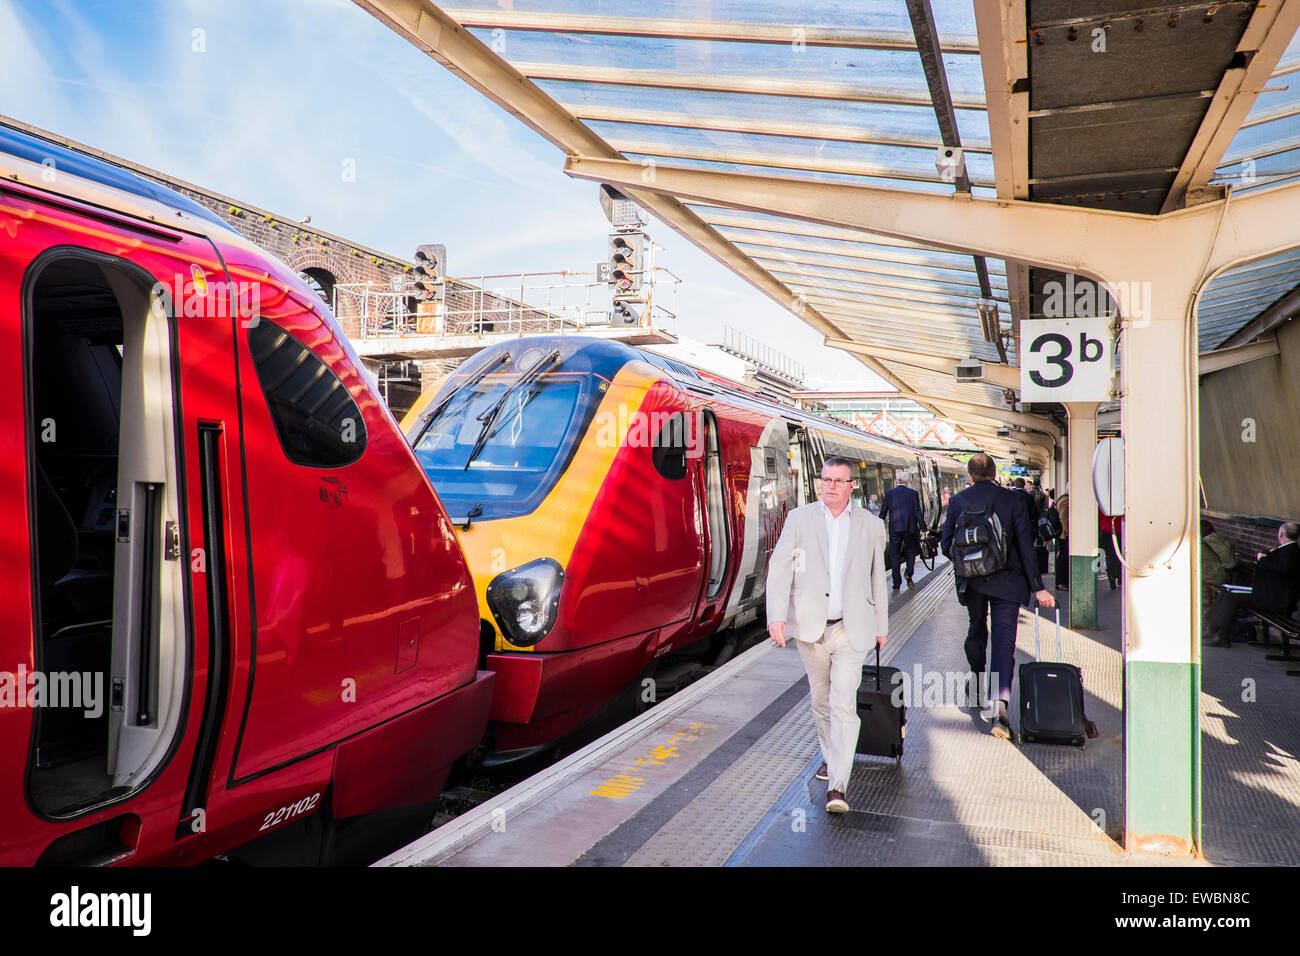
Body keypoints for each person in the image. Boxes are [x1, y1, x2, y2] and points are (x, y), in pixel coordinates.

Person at [767, 456, 889, 813]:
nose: (830, 486)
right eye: (826, 480)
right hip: (810, 628)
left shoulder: (870, 524)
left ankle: (838, 784)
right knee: (821, 703)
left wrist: (881, 626)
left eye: (838, 481)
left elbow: (876, 578)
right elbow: (779, 568)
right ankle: (829, 755)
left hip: (851, 629)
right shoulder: (799, 519)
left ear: (852, 486)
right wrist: (777, 617)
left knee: (842, 704)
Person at [941, 453, 1055, 739]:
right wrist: (1037, 586)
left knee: (977, 629)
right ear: (994, 473)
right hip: (1009, 582)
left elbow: (946, 545)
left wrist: (970, 563)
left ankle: (977, 679)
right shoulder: (1013, 500)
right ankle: (1000, 706)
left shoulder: (957, 502)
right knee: (1004, 642)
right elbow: (1027, 546)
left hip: (973, 582)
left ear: (970, 476)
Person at [1204, 521, 1299, 647]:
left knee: (1231, 598)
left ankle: (1222, 636)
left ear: (1281, 534)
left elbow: (1283, 568)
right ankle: (1212, 627)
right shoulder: (1288, 550)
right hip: (1268, 594)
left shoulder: (1290, 551)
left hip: (1273, 599)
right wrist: (1266, 556)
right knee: (1226, 593)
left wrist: (1262, 559)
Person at [879, 477, 928, 590]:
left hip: (894, 528)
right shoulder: (913, 493)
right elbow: (917, 512)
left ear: (897, 481)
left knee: (894, 554)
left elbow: (883, 512)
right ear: (907, 482)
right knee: (910, 551)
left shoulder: (889, 493)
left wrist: (877, 526)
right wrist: (924, 527)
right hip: (910, 527)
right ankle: (908, 572)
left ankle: (896, 583)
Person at [1199, 519, 1237, 614]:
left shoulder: (1208, 541)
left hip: (1215, 576)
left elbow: (1230, 563)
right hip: (1213, 575)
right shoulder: (1207, 541)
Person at [1027, 481, 1050, 575]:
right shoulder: (1043, 495)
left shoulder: (1029, 494)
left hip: (1031, 519)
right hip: (1040, 519)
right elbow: (1045, 507)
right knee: (1040, 538)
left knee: (1031, 538)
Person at [1098, 512, 1122, 590]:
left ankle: (1111, 577)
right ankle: (1120, 577)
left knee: (1110, 555)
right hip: (1118, 529)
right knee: (1119, 555)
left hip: (1105, 529)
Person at [1054, 485, 1071, 592]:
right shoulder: (1066, 500)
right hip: (1063, 534)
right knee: (1063, 557)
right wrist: (1066, 533)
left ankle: (1062, 581)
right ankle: (1061, 582)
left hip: (1062, 534)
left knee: (1063, 557)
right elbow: (1063, 518)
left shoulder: (1062, 498)